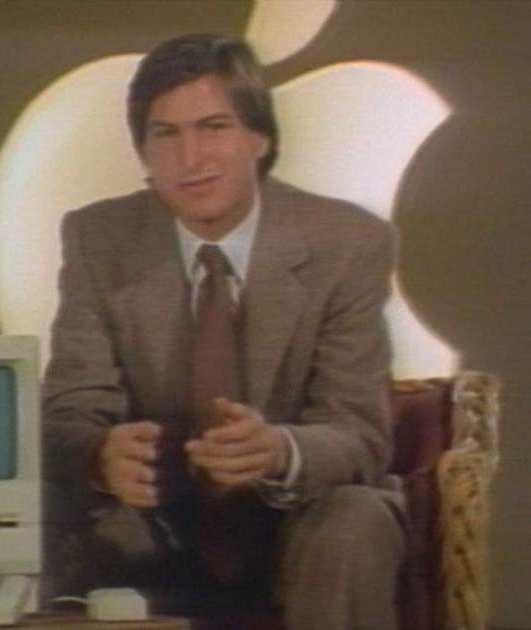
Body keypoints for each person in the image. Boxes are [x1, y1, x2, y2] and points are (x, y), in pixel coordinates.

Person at [43, 33, 405, 630]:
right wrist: (99, 455)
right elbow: (71, 409)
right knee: (59, 517)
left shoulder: (347, 242)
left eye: (214, 127)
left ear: (259, 138)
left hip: (301, 516)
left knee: (355, 520)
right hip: (155, 521)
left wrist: (279, 450)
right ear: (142, 150)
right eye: (166, 134)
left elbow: (359, 433)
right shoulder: (98, 239)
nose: (191, 159)